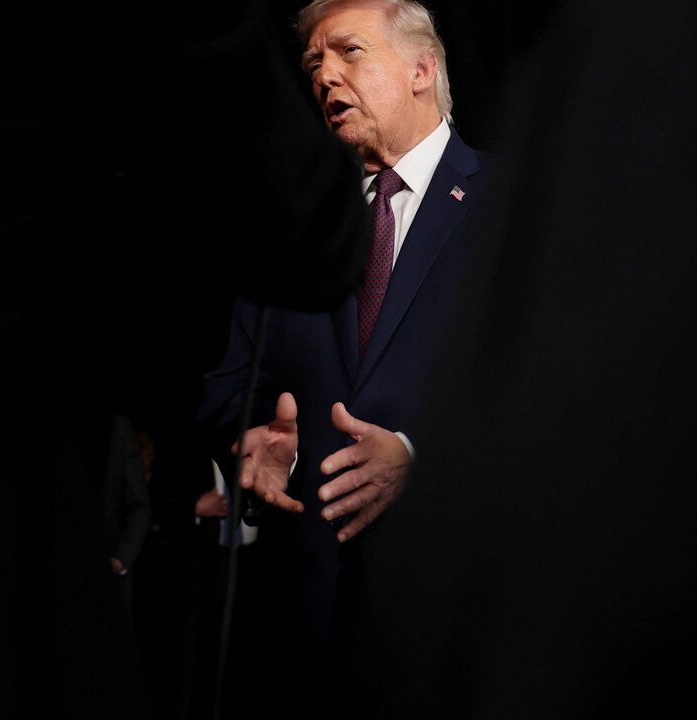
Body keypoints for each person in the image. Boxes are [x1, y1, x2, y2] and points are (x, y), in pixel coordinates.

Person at [197, 0, 497, 709]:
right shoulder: (296, 230)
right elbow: (227, 387)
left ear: (423, 68)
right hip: (302, 634)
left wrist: (421, 458)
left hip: (458, 624)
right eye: (312, 64)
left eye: (348, 52)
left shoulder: (512, 202)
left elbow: (559, 401)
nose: (325, 75)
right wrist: (252, 446)